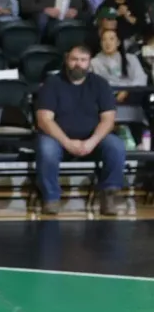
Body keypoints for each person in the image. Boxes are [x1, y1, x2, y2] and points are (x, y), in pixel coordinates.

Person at [35, 45, 123, 216]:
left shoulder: (100, 84)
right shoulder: (52, 83)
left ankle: (108, 195)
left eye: (83, 60)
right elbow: (44, 120)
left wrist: (91, 142)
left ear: (89, 63)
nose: (78, 64)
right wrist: (67, 142)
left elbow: (108, 119)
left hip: (92, 140)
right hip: (58, 139)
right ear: (67, 60)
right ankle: (51, 198)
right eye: (74, 59)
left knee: (116, 146)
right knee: (46, 148)